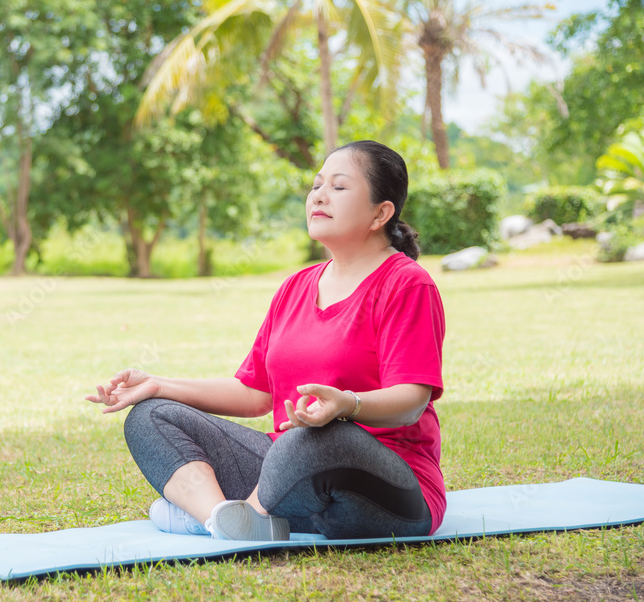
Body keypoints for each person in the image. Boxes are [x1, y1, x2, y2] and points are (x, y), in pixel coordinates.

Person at [86, 140, 446, 541]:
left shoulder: (406, 283)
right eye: (316, 185)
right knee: (152, 415)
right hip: (288, 474)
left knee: (314, 437)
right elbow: (255, 393)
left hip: (385, 487)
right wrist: (159, 385)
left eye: (339, 187)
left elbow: (412, 401)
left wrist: (348, 405)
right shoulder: (295, 286)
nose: (319, 196)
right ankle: (224, 519)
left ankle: (249, 516)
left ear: (381, 212)